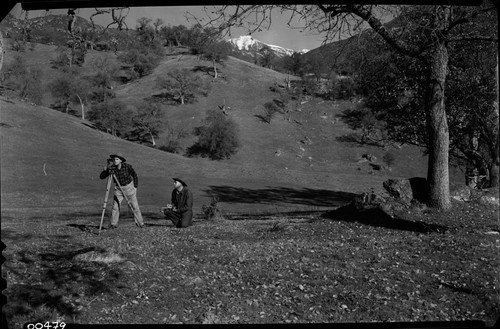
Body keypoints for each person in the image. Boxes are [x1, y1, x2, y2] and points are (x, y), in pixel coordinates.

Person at [100, 153, 145, 229]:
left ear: (121, 160)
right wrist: (105, 171)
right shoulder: (112, 168)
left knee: (134, 206)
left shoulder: (127, 166)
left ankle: (140, 223)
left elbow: (135, 175)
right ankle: (113, 224)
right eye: (114, 159)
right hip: (118, 189)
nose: (115, 161)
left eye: (117, 159)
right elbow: (102, 177)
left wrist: (135, 187)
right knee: (115, 207)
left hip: (128, 187)